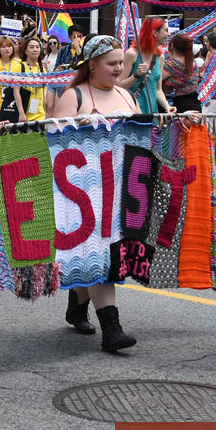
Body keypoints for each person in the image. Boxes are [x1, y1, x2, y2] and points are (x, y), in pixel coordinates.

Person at [51, 35, 139, 352]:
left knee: (106, 257)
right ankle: (111, 330)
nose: (118, 68)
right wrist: (77, 126)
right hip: (83, 195)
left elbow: (143, 134)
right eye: (111, 63)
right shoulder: (74, 97)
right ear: (92, 65)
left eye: (120, 63)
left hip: (121, 190)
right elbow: (52, 139)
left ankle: (77, 304)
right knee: (99, 255)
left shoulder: (127, 97)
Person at [121, 16, 172, 115]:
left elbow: (158, 90)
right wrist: (136, 75)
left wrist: (167, 106)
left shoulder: (160, 57)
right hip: (133, 113)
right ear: (155, 32)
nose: (168, 34)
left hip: (152, 113)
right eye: (166, 30)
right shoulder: (132, 54)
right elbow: (119, 86)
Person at [163, 33, 202, 112]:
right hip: (194, 104)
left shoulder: (172, 64)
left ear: (172, 46)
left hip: (178, 107)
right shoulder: (194, 63)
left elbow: (154, 80)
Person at [18, 35, 46, 122]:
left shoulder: (42, 69)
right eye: (32, 47)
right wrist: (21, 113)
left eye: (37, 47)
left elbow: (45, 91)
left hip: (40, 114)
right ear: (26, 51)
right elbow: (16, 91)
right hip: (25, 115)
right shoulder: (20, 67)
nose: (35, 49)